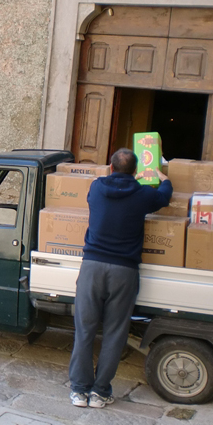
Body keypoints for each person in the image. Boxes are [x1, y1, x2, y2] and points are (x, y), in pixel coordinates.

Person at [69, 148, 172, 408]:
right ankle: (100, 392)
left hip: (92, 267)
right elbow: (164, 197)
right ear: (135, 172)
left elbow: (104, 182)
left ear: (111, 168)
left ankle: (79, 391)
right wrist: (163, 176)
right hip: (124, 272)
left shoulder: (96, 188)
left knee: (85, 330)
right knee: (115, 333)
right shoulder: (143, 194)